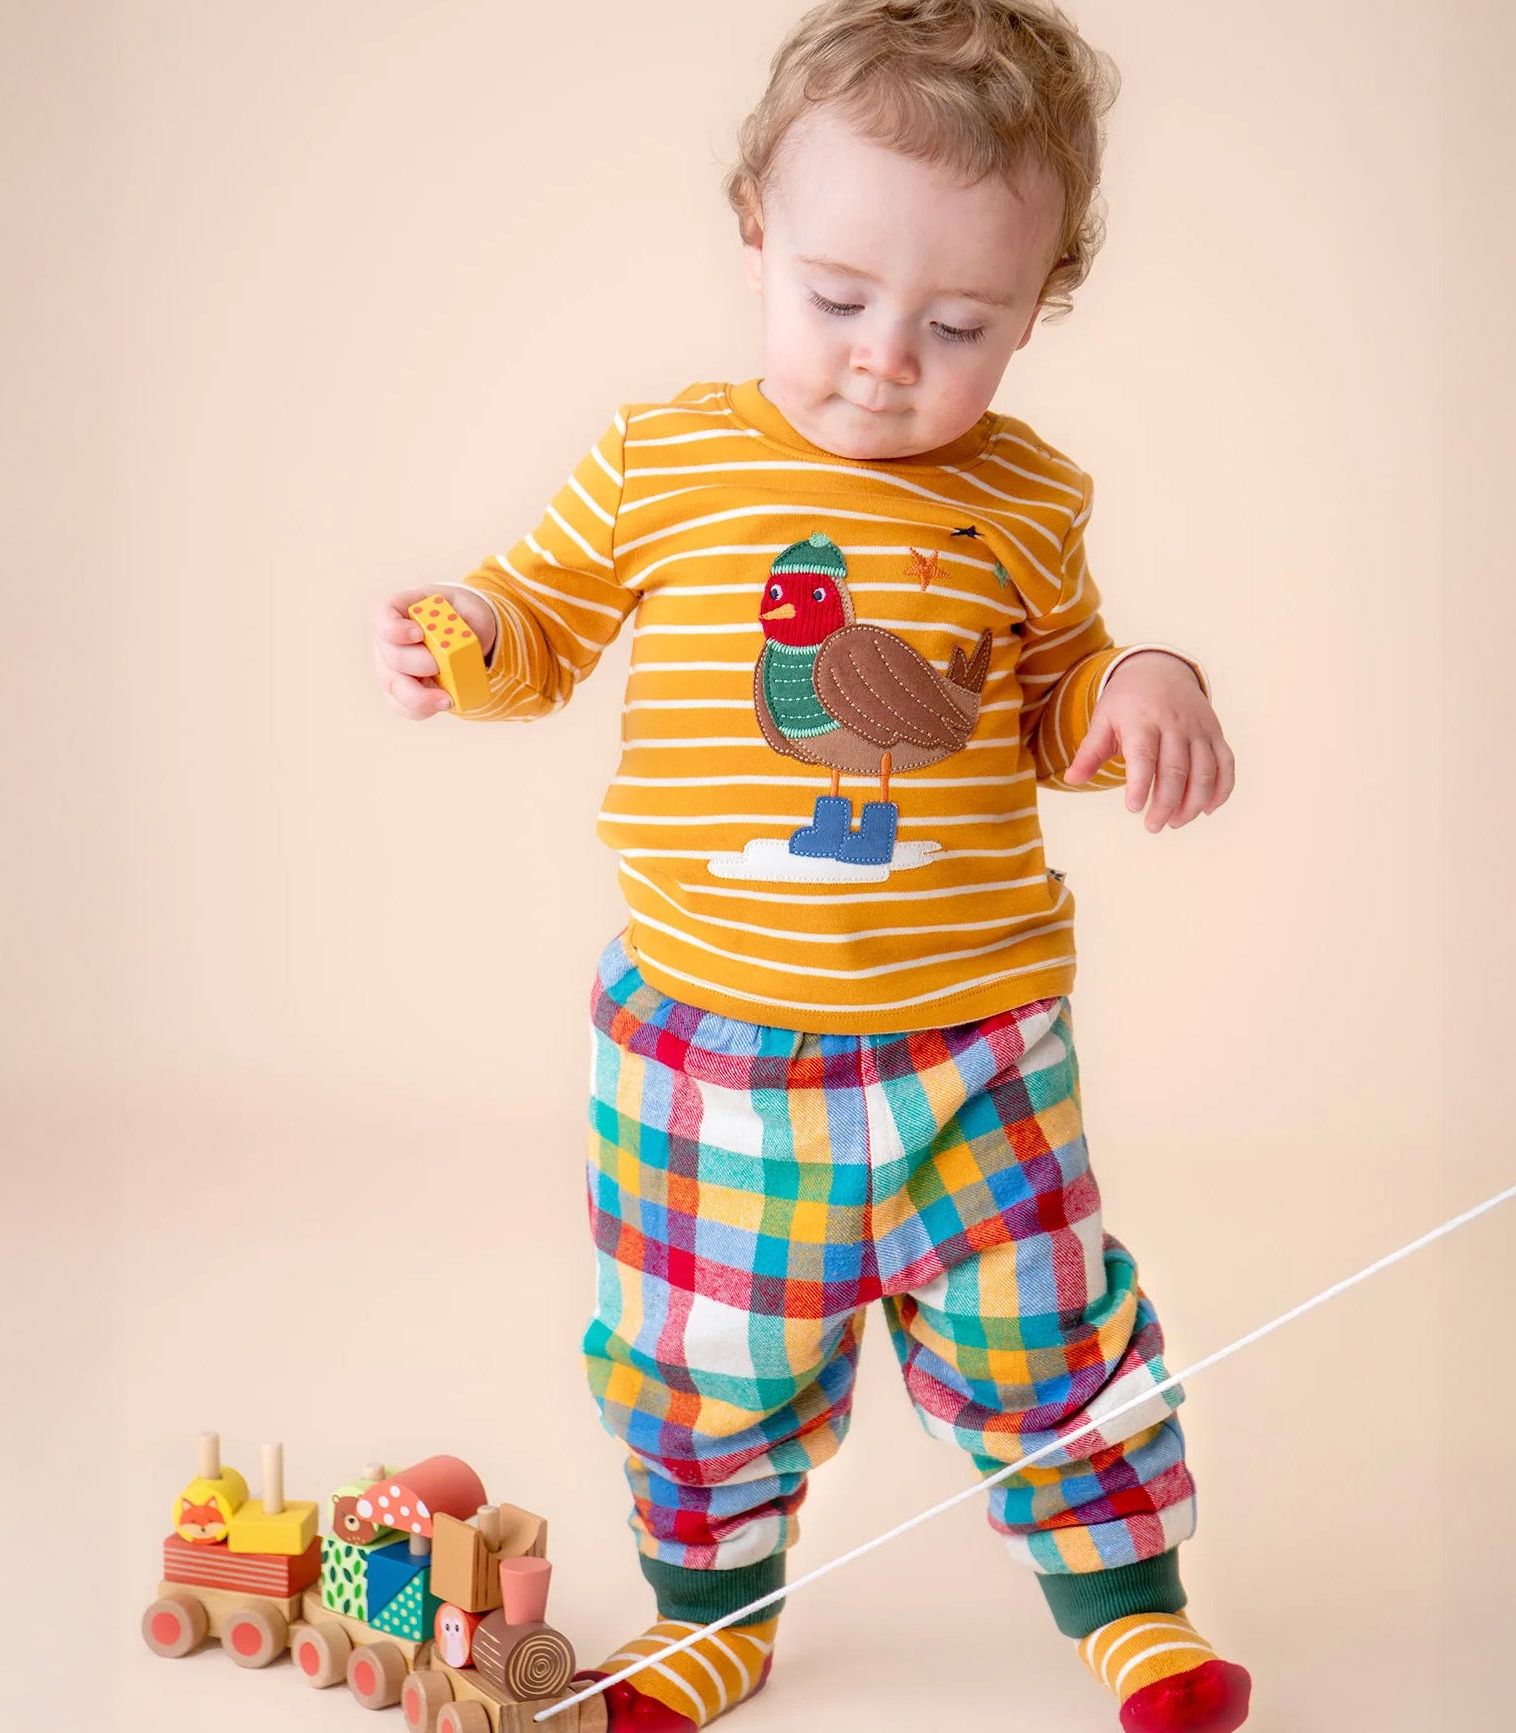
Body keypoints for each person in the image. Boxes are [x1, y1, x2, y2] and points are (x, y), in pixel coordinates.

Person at [371, 4, 1247, 1728]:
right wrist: (468, 634)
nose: (884, 358)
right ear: (754, 225)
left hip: (974, 1041)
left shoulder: (1030, 499)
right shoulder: (661, 460)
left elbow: (1060, 684)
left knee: (1043, 1332)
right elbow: (538, 623)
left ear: (1040, 302)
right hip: (712, 1047)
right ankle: (716, 1609)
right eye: (839, 298)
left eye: (961, 323)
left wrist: (1147, 684)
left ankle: (1130, 1601)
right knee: (708, 1358)